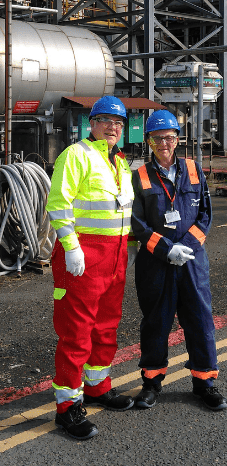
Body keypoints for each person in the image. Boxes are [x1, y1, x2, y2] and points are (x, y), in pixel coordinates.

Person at [46, 95, 137, 440]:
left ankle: (98, 386)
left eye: (118, 123)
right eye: (105, 121)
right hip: (84, 256)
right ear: (92, 124)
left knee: (106, 326)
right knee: (77, 332)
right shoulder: (76, 155)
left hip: (115, 255)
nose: (112, 128)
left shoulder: (120, 161)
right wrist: (71, 247)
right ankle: (67, 408)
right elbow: (58, 203)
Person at [130, 110, 227, 411]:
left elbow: (206, 215)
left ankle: (204, 383)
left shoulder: (194, 169)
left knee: (199, 320)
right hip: (156, 263)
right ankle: (151, 382)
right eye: (158, 139)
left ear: (177, 140)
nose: (164, 144)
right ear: (149, 141)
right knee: (156, 322)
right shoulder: (140, 176)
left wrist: (184, 247)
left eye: (169, 138)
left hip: (192, 262)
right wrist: (165, 249)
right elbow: (136, 223)